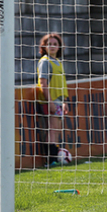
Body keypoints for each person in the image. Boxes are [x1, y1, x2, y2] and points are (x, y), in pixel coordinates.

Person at [36, 32, 69, 165]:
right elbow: (43, 83)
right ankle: (51, 160)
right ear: (44, 46)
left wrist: (63, 102)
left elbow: (60, 84)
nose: (53, 46)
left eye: (55, 44)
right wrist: (50, 102)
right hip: (50, 101)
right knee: (52, 130)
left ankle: (55, 158)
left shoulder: (58, 63)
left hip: (58, 101)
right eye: (49, 44)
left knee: (56, 130)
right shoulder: (45, 61)